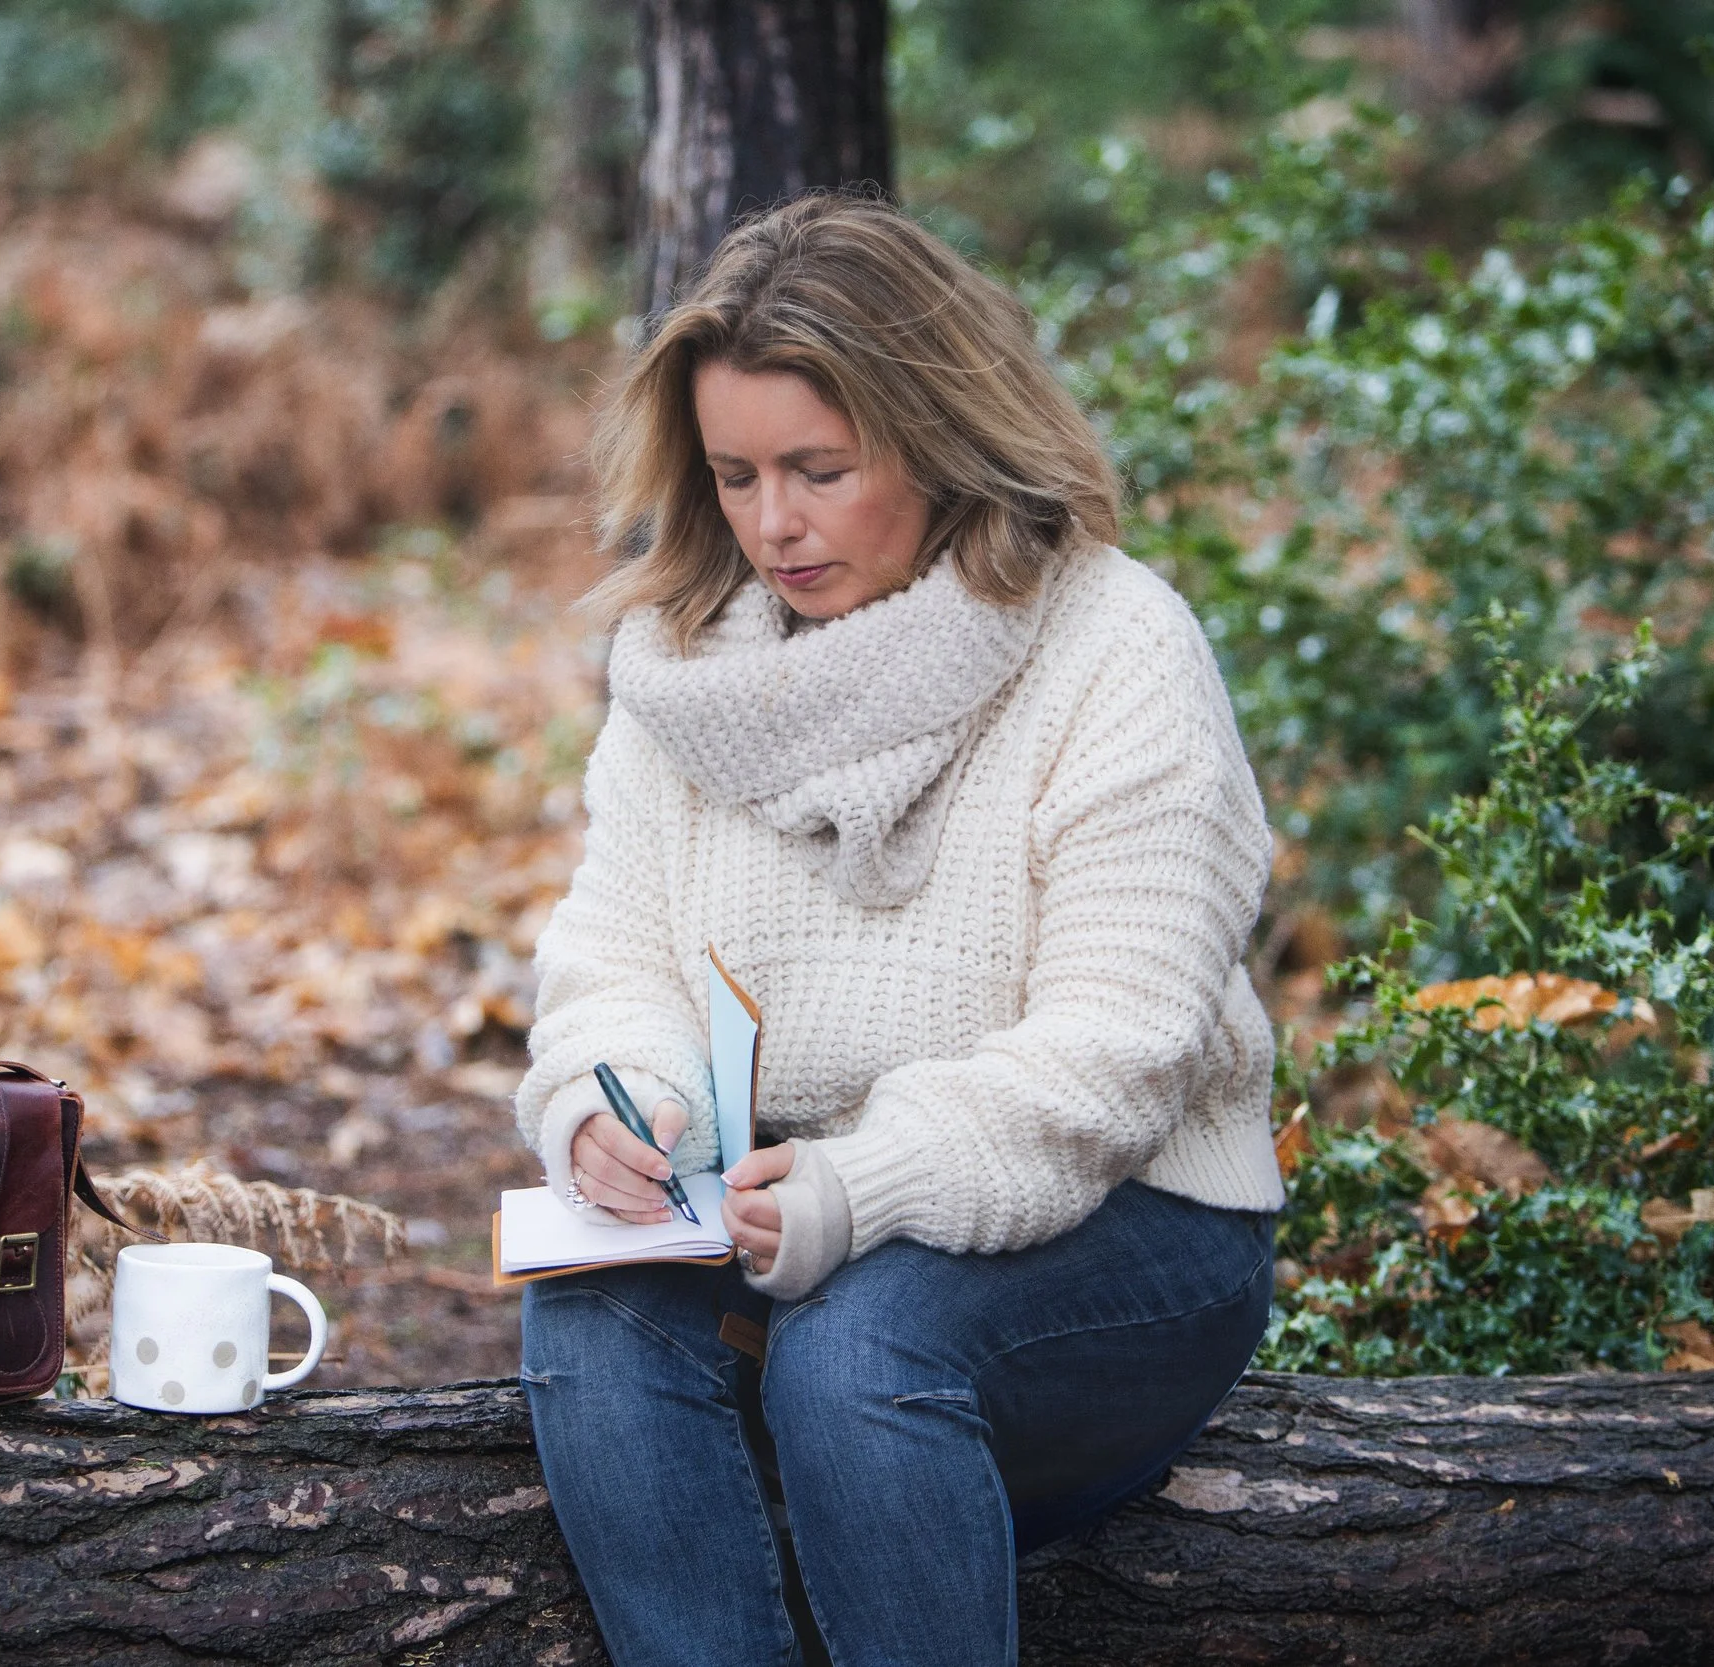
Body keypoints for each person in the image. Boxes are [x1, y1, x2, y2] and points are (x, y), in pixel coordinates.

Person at [511, 192, 1286, 1667]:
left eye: (820, 468)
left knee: (859, 1345)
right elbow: (612, 958)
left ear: (937, 432)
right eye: (735, 474)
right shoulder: (686, 671)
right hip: (770, 1211)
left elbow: (1112, 1058)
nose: (772, 525)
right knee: (591, 1316)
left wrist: (864, 1191)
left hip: (1124, 1222)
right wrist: (623, 1106)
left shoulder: (1115, 649)